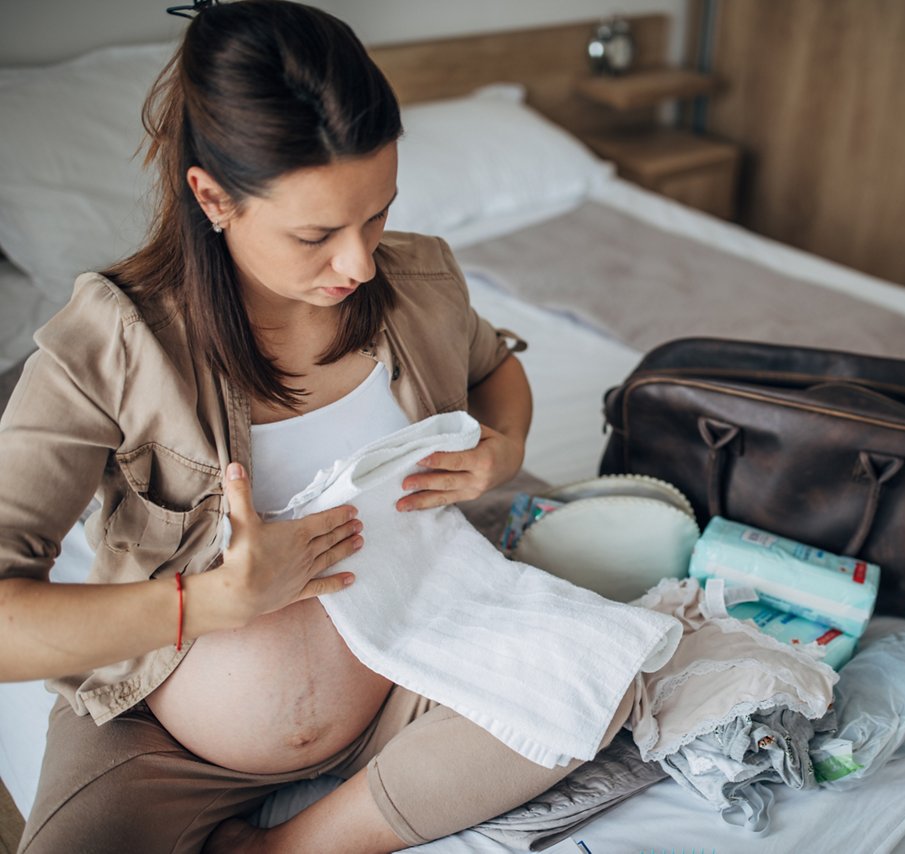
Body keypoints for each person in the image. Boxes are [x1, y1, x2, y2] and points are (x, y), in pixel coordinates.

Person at [0, 2, 633, 851]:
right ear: (212, 196)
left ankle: (293, 845)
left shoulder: (418, 281)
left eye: (376, 214)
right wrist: (212, 602)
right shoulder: (112, 342)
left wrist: (504, 449)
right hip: (163, 738)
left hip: (410, 664)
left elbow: (493, 368)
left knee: (608, 674)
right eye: (316, 233)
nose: (360, 262)